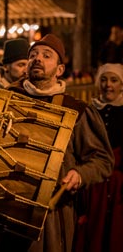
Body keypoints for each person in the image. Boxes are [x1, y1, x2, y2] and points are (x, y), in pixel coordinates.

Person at [0, 34, 114, 252]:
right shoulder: (4, 101)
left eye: (46, 55)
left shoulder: (76, 111)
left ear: (59, 70)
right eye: (33, 55)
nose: (37, 59)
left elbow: (102, 160)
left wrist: (80, 174)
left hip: (49, 216)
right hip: (0, 211)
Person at [75, 63, 123, 252]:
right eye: (103, 79)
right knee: (93, 228)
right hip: (94, 181)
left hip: (118, 183)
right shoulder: (90, 111)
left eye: (114, 80)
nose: (108, 85)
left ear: (122, 84)